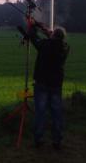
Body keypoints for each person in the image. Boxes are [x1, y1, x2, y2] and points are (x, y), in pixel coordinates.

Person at [28, 21, 70, 150]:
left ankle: (38, 139)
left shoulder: (45, 45)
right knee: (56, 113)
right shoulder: (65, 47)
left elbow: (33, 37)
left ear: (53, 35)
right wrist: (48, 32)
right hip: (56, 85)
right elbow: (55, 43)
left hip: (42, 84)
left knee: (40, 113)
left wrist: (34, 26)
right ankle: (57, 141)